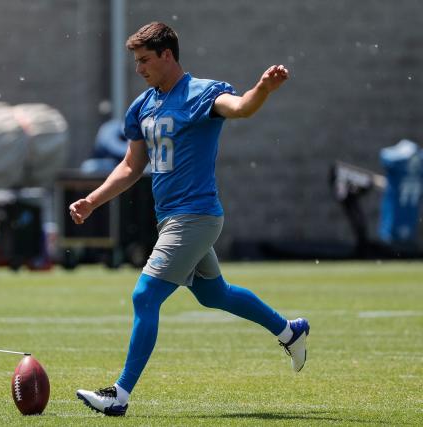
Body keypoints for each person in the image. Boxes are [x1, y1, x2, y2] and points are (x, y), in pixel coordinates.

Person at [70, 22, 310, 417]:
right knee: (215, 294)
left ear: (168, 55)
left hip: (194, 216)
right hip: (170, 219)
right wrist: (93, 201)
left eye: (145, 60)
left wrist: (263, 89)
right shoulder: (142, 105)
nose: (139, 69)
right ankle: (289, 331)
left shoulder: (203, 92)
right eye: (135, 61)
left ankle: (120, 395)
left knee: (144, 296)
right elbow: (131, 166)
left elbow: (242, 108)